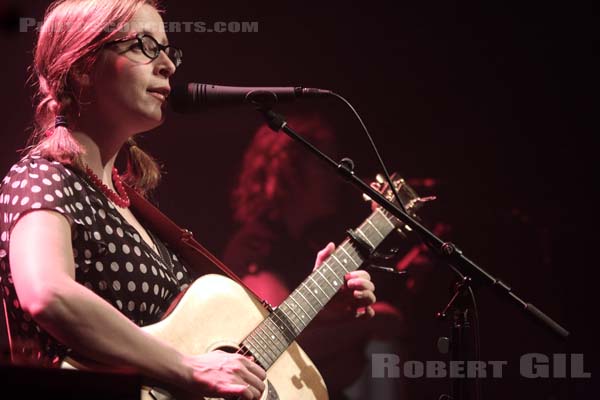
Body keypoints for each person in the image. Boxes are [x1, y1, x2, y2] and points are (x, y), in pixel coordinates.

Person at [0, 1, 377, 399]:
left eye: (168, 50)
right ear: (81, 67)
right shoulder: (42, 177)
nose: (168, 65)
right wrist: (186, 368)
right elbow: (49, 294)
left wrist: (318, 312)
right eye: (145, 46)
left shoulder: (131, 208)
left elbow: (213, 353)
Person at [223, 115, 406, 399]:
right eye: (324, 165)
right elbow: (273, 344)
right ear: (289, 171)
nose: (335, 177)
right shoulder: (259, 245)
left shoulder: (306, 243)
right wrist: (368, 324)